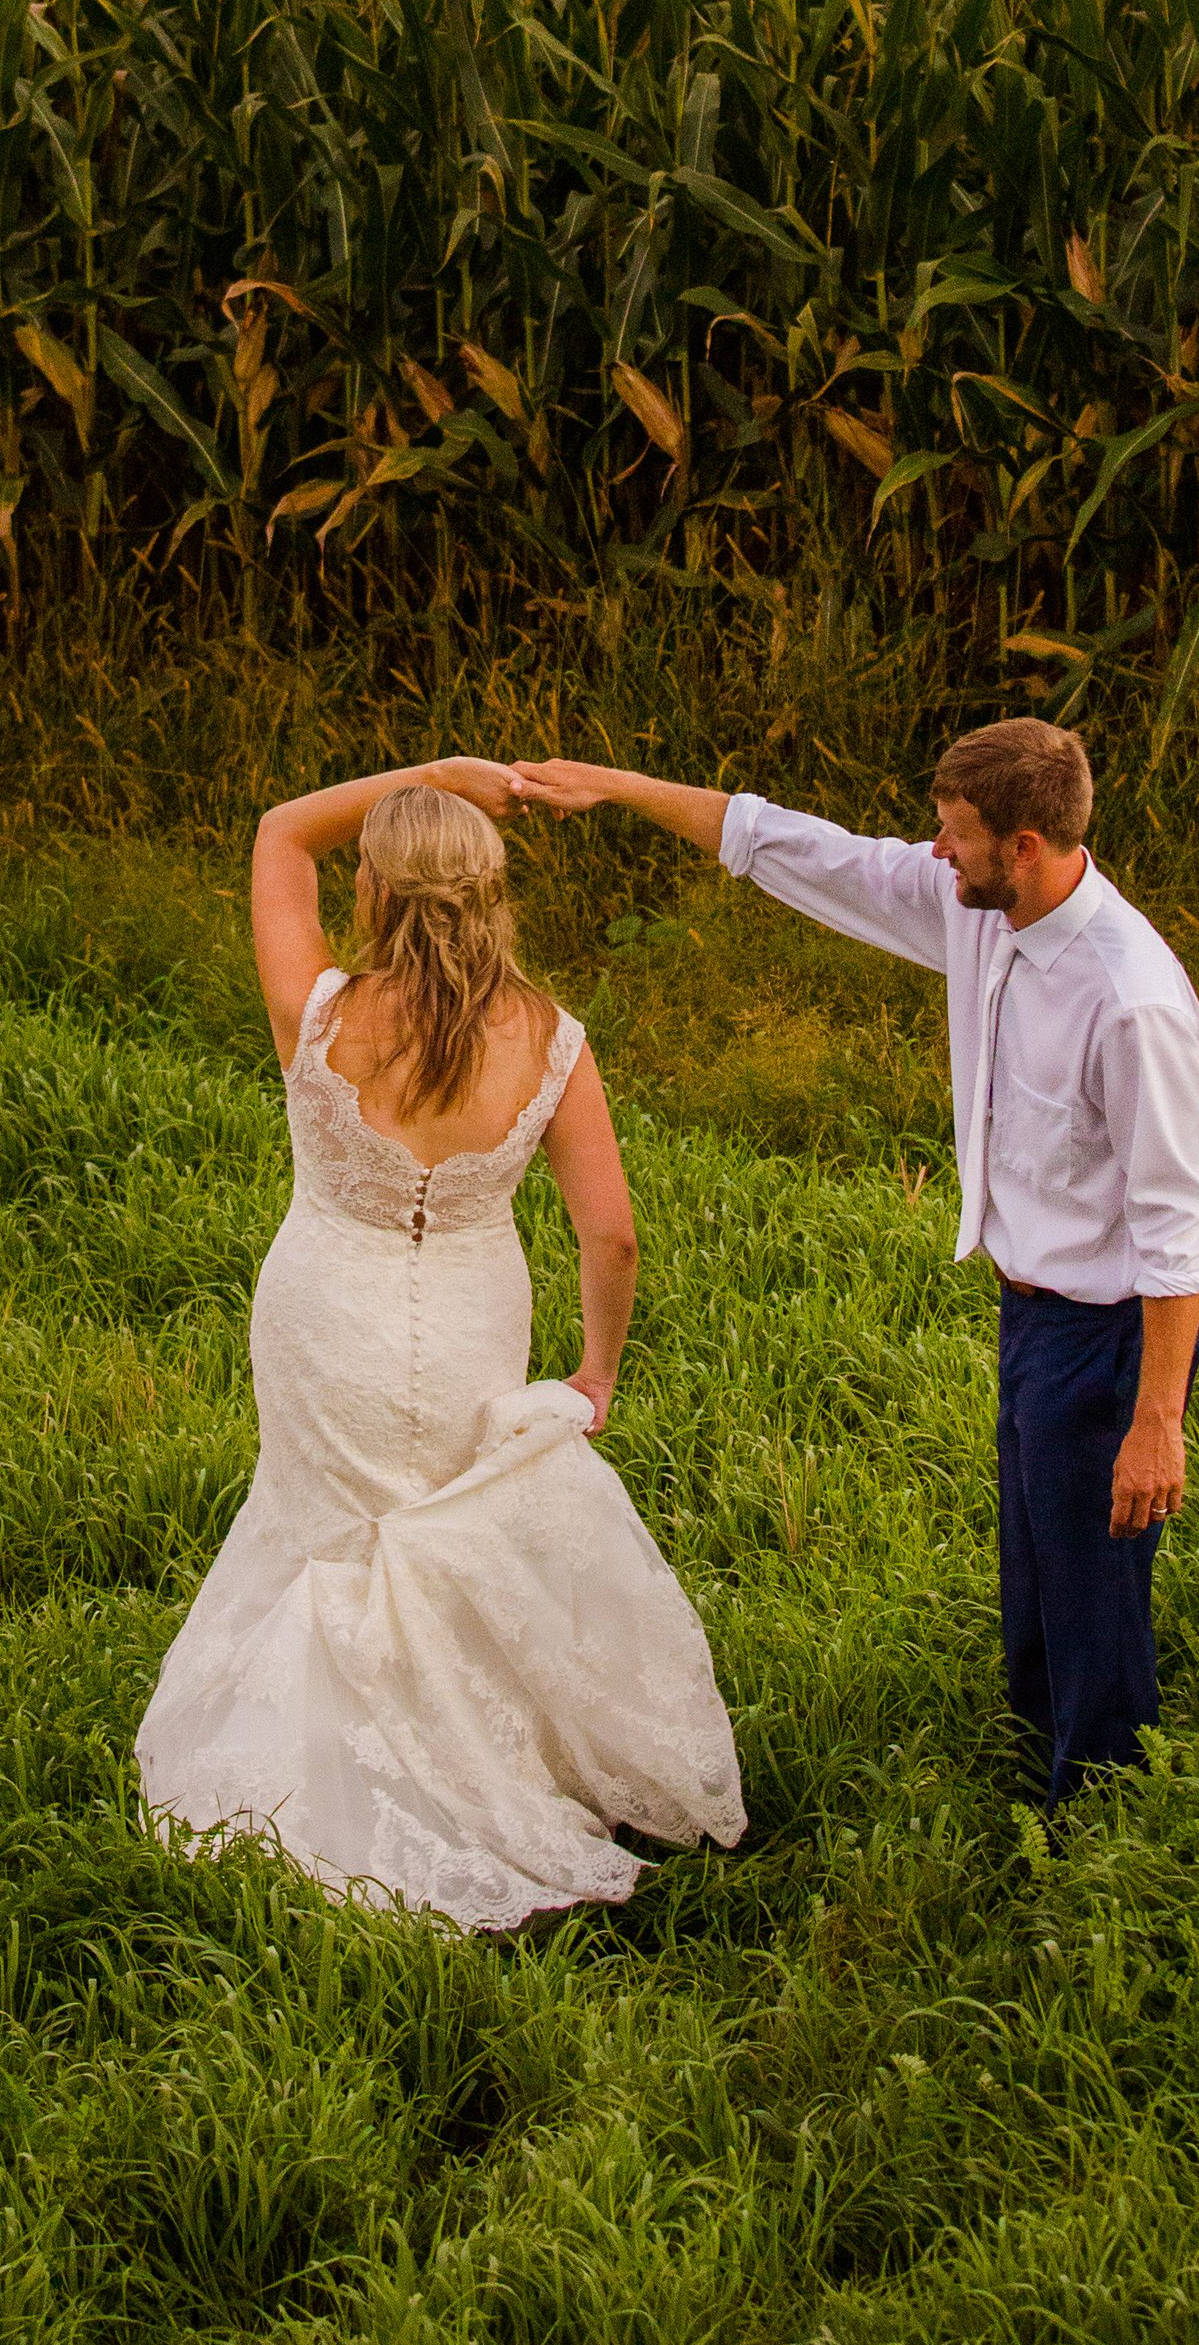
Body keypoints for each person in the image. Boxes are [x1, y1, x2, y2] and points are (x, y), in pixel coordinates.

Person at [512, 720, 1199, 1817]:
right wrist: (613, 784)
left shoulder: (1130, 998)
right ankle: (1037, 1766)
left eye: (956, 835)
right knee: (1034, 1567)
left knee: (1090, 1586)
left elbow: (1176, 1226)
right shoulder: (982, 910)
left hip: (1109, 1329)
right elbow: (801, 848)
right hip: (1030, 1315)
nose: (934, 851)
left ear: (1024, 845)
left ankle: (1107, 1822)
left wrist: (1157, 1419)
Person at [134, 759, 745, 1932]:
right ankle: (484, 1765)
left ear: (371, 895)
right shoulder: (553, 1042)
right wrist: (595, 1375)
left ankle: (335, 1773)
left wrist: (434, 775)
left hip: (323, 1317)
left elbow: (277, 828)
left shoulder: (316, 1012)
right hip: (471, 1318)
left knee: (333, 1530)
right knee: (449, 1519)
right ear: (492, 896)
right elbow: (609, 1234)